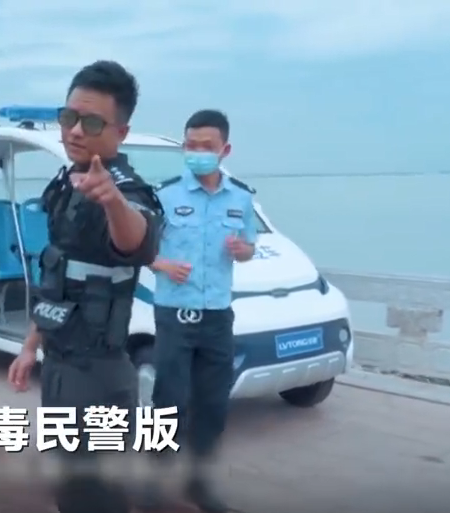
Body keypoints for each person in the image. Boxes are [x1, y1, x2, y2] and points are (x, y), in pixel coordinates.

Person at [4, 61, 163, 511]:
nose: (75, 130)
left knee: (98, 494)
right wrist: (30, 346)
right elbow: (57, 279)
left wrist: (112, 201)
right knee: (69, 487)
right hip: (59, 366)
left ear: (120, 132)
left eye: (91, 122)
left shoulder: (126, 190)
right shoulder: (65, 183)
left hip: (100, 376)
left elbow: (139, 240)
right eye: (68, 117)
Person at [149, 109, 256, 513]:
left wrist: (243, 251)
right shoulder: (164, 195)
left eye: (206, 146)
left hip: (217, 316)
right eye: (190, 145)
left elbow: (249, 248)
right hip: (174, 313)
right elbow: (139, 248)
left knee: (213, 405)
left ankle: (199, 484)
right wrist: (163, 264)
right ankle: (151, 481)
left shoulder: (241, 197)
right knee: (169, 401)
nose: (197, 152)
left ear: (225, 150)